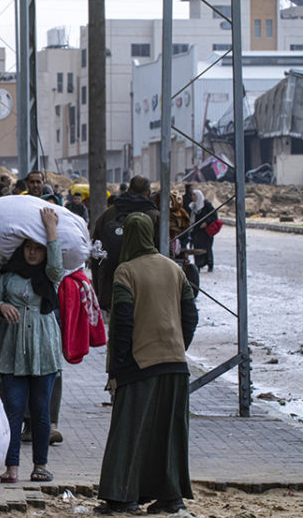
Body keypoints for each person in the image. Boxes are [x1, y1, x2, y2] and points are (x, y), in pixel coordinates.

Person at [95, 213, 198, 515]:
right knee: (168, 434)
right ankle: (170, 497)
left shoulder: (125, 272)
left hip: (139, 364)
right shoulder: (174, 269)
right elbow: (190, 316)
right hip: (175, 364)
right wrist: (177, 345)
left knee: (128, 433)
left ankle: (122, 497)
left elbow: (122, 323)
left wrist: (119, 366)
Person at [0, 207, 63, 483]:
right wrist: (2, 306)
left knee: (41, 410)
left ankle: (40, 465)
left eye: (38, 249)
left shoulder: (50, 276)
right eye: (28, 247)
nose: (32, 253)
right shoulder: (7, 275)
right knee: (13, 409)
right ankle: (12, 467)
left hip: (44, 349)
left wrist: (51, 230)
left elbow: (56, 266)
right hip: (11, 350)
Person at [90, 175, 159, 313]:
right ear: (148, 193)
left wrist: (100, 291)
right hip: (146, 289)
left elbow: (95, 252)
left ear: (129, 189)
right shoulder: (154, 216)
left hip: (113, 286)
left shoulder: (109, 213)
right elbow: (164, 252)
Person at [190, 189, 217, 272]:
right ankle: (198, 264)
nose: (193, 197)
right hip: (197, 231)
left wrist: (207, 222)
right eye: (192, 195)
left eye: (194, 195)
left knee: (207, 248)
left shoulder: (206, 205)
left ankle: (210, 264)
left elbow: (214, 216)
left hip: (206, 232)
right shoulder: (193, 206)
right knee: (197, 248)